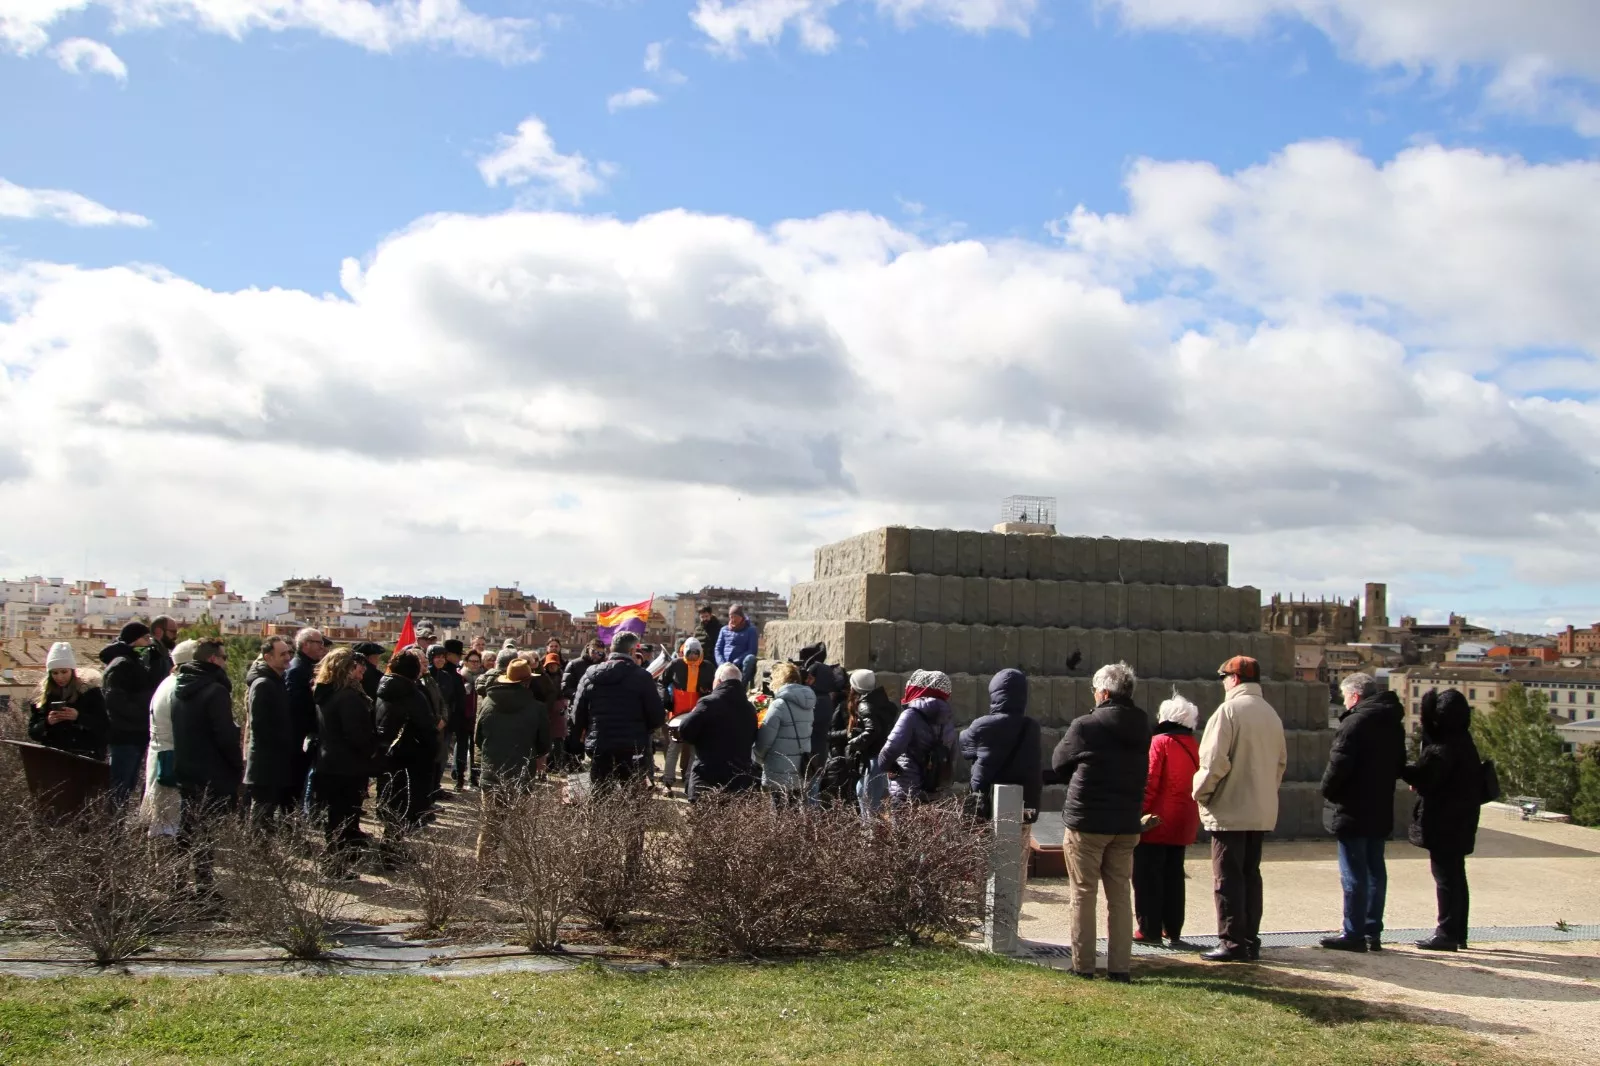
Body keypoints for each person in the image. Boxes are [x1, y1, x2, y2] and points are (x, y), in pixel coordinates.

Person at [1051, 661, 1150, 982]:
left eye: (1095, 690)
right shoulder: (1143, 726)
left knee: (1083, 893)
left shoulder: (1085, 726)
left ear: (1104, 692)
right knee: (1120, 895)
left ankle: (1084, 965)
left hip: (1087, 821)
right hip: (1126, 822)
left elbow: (1059, 763)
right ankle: (1120, 968)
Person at [1193, 656, 1287, 963]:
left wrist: (1200, 794)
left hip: (1230, 808)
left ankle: (1231, 943)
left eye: (1222, 678)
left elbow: (1213, 763)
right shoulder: (1271, 714)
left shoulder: (1228, 711)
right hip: (1260, 809)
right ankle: (1249, 939)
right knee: (1250, 876)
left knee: (1227, 878)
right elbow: (1280, 764)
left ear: (1232, 679)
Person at [1319, 671, 1407, 953]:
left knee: (1353, 873)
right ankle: (1372, 931)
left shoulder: (1353, 723)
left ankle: (1353, 933)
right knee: (1375, 871)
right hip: (1380, 805)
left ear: (1355, 696)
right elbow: (1400, 764)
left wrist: (1327, 791)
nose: (1344, 703)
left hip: (1352, 806)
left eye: (1345, 697)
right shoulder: (1393, 723)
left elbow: (1338, 766)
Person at [1403, 689, 1484, 952]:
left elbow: (1428, 779)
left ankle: (1447, 931)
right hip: (1461, 819)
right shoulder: (1463, 741)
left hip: (1444, 821)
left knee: (1446, 878)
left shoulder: (1443, 747)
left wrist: (1404, 770)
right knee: (1456, 877)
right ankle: (1458, 931)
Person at [171, 639, 243, 890]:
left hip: (186, 767)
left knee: (187, 829)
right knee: (206, 832)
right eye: (224, 657)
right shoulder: (215, 691)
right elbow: (224, 735)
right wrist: (236, 765)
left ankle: (178, 882)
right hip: (211, 771)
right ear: (213, 660)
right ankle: (204, 885)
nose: (225, 662)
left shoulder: (179, 686)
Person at [1134, 690, 1202, 948]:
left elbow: (1150, 781)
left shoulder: (1159, 742)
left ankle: (1148, 929)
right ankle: (1172, 929)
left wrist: (1140, 812)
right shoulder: (1195, 744)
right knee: (1174, 875)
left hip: (1157, 821)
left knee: (1148, 875)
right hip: (1184, 819)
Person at [474, 657, 551, 862]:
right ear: (527, 682)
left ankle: (483, 874)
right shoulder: (536, 707)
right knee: (518, 828)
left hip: (491, 772)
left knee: (489, 827)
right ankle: (516, 876)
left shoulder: (488, 702)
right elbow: (544, 744)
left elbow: (478, 738)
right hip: (522, 773)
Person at [313, 647, 378, 875]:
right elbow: (355, 734)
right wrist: (371, 749)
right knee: (341, 817)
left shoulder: (326, 692)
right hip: (346, 766)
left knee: (336, 817)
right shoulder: (347, 697)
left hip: (330, 762)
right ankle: (335, 865)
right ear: (347, 669)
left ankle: (337, 860)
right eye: (359, 671)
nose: (361, 676)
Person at [572, 631, 666, 784]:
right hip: (632, 748)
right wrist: (643, 731)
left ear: (611, 650)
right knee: (630, 797)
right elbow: (657, 716)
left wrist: (585, 732)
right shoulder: (642, 677)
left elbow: (577, 714)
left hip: (599, 745)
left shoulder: (590, 674)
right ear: (631, 651)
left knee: (601, 796)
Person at [961, 668, 1044, 821]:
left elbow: (965, 748)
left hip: (986, 805)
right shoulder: (1032, 727)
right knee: (1020, 843)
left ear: (994, 693)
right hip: (1025, 805)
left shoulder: (982, 725)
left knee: (986, 844)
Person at [671, 662, 759, 800]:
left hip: (708, 777)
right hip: (739, 781)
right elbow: (753, 737)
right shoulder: (750, 708)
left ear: (718, 681)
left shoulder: (708, 703)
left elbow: (685, 731)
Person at [374, 649, 438, 838]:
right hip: (410, 758)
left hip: (388, 755)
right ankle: (391, 851)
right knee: (403, 804)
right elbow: (426, 729)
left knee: (391, 800)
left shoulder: (384, 689)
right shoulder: (412, 695)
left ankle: (391, 845)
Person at [142, 638, 198, 838]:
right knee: (168, 826)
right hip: (170, 760)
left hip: (162, 757)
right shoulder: (178, 687)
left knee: (163, 821)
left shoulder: (168, 682)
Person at [99, 620, 159, 808]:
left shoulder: (134, 662)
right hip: (125, 737)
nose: (149, 643)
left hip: (135, 736)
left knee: (128, 785)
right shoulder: (121, 665)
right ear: (134, 640)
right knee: (120, 788)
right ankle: (113, 832)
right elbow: (116, 702)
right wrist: (143, 715)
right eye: (146, 638)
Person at [876, 670, 958, 804]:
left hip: (907, 790)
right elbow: (952, 755)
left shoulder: (910, 715)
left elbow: (890, 750)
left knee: (904, 825)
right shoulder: (947, 719)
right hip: (934, 790)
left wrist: (890, 767)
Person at [241, 636, 296, 827]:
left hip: (275, 760)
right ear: (268, 657)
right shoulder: (264, 684)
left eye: (289, 653)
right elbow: (261, 726)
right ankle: (256, 854)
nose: (288, 657)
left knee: (267, 814)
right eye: (282, 654)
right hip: (266, 763)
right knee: (261, 815)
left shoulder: (277, 681)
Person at [27, 641, 110, 760]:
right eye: (55, 673)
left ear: (72, 670)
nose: (59, 677)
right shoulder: (43, 696)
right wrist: (47, 722)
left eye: (64, 672)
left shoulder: (89, 692)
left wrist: (78, 717)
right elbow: (33, 732)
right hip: (54, 758)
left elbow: (104, 728)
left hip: (86, 758)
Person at [754, 661, 816, 800]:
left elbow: (765, 739)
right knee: (793, 815)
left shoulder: (779, 705)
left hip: (779, 769)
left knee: (778, 814)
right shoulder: (808, 704)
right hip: (800, 767)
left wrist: (757, 757)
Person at [659, 638, 714, 794]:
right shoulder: (676, 664)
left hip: (698, 714)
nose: (692, 657)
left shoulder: (708, 667)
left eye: (696, 654)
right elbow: (662, 682)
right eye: (690, 653)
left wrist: (708, 693)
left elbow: (716, 687)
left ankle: (690, 780)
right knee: (673, 748)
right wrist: (666, 699)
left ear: (700, 653)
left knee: (695, 750)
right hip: (677, 713)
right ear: (685, 651)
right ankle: (668, 780)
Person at [844, 670, 898, 819]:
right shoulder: (881, 701)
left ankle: (871, 841)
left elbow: (872, 730)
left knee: (869, 806)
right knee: (867, 796)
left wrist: (853, 743)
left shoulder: (864, 705)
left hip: (873, 759)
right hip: (881, 758)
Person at [286, 627, 328, 814]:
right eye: (319, 643)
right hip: (298, 738)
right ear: (305, 645)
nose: (322, 646)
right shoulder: (297, 669)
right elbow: (298, 706)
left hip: (308, 736)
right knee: (295, 786)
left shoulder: (309, 666)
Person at [457, 646, 485, 789]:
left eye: (477, 661)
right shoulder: (461, 677)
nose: (474, 664)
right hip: (463, 718)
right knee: (461, 748)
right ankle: (459, 777)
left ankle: (474, 778)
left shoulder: (484, 678)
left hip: (478, 719)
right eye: (472, 661)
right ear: (466, 662)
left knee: (476, 750)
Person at [713, 605, 760, 687]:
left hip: (740, 663)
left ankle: (742, 686)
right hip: (725, 663)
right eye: (731, 617)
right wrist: (722, 663)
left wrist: (737, 661)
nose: (733, 620)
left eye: (735, 617)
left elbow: (752, 650)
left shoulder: (750, 630)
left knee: (750, 658)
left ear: (741, 617)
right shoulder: (724, 630)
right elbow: (718, 649)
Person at [540, 653, 571, 773]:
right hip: (545, 709)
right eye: (550, 665)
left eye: (554, 664)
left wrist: (563, 704)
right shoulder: (542, 678)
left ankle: (558, 764)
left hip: (558, 711)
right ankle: (547, 765)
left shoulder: (563, 677)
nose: (552, 667)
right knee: (545, 738)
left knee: (558, 740)